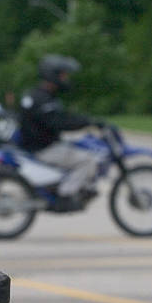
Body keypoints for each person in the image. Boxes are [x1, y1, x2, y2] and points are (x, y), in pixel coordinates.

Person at [19, 54, 101, 211]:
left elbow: (59, 118)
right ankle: (65, 195)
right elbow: (59, 122)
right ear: (53, 74)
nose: (65, 78)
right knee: (88, 160)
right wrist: (88, 122)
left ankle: (61, 187)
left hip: (35, 146)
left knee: (76, 150)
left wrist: (83, 120)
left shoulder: (37, 94)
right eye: (63, 74)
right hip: (44, 148)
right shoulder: (44, 99)